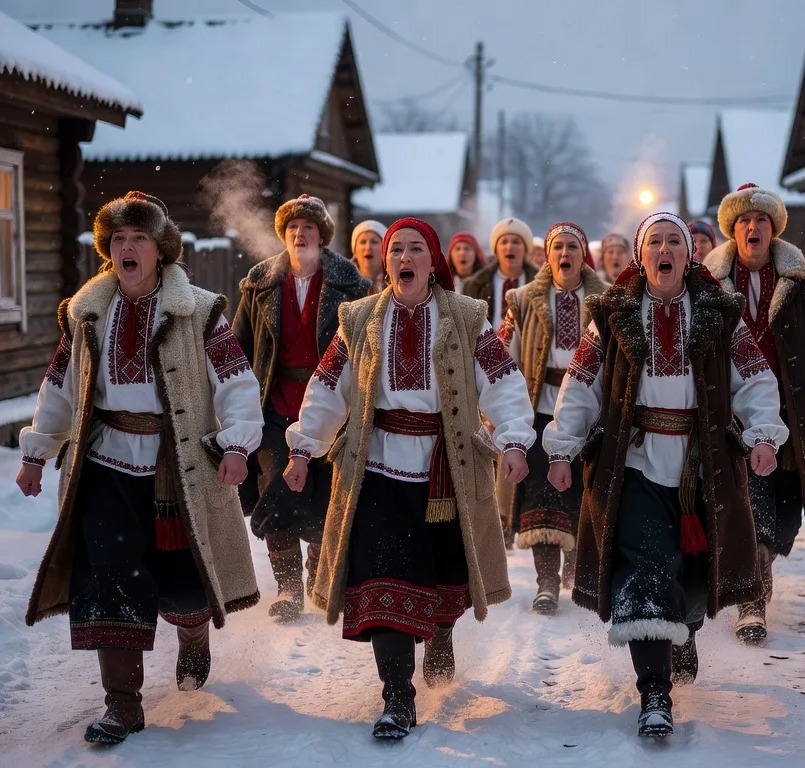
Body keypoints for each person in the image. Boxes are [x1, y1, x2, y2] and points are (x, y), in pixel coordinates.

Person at [16, 192, 263, 745]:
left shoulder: (200, 312)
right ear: (108, 251)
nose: (128, 248)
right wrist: (36, 452)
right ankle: (122, 705)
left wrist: (237, 445)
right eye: (119, 240)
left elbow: (238, 385)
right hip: (104, 463)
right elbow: (60, 385)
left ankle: (193, 636)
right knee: (109, 575)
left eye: (139, 239)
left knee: (184, 581)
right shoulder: (86, 313)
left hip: (175, 467)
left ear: (160, 250)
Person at [283, 217, 534, 739]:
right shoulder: (359, 319)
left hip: (447, 471)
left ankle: (440, 631)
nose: (403, 257)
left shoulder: (467, 318)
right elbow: (328, 385)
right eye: (396, 249)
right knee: (382, 579)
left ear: (432, 261)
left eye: (415, 249)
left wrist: (513, 439)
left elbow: (504, 381)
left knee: (443, 573)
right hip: (375, 470)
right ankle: (398, 695)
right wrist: (304, 447)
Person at [544, 212, 787, 737]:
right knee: (646, 573)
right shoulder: (612, 313)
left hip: (703, 472)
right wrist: (562, 448)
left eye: (674, 240)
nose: (665, 249)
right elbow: (580, 382)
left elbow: (756, 378)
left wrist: (765, 433)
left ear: (689, 254)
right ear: (641, 255)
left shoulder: (721, 314)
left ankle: (686, 630)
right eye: (654, 241)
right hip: (632, 464)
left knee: (694, 581)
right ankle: (654, 693)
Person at [703, 183, 805, 645]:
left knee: (786, 508)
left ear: (774, 229)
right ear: (732, 231)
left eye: (762, 221)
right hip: (733, 414)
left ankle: (761, 567)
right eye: (744, 222)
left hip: (792, 412)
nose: (753, 228)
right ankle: (752, 604)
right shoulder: (709, 284)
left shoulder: (801, 279)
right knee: (752, 503)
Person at [232, 195, 371, 622]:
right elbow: (238, 348)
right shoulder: (259, 284)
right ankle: (288, 589)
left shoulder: (352, 286)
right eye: (292, 227)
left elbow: (366, 351)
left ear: (322, 235)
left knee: (327, 498)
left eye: (308, 227)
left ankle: (317, 575)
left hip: (333, 412)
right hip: (274, 408)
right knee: (280, 491)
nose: (299, 233)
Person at [496, 222, 609, 614]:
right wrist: (497, 408)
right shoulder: (524, 300)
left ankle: (577, 574)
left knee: (582, 495)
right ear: (547, 255)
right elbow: (498, 355)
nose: (565, 254)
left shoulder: (607, 300)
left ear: (583, 255)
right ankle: (546, 581)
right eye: (558, 246)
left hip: (591, 416)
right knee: (540, 498)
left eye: (572, 247)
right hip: (540, 412)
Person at [461, 217, 540, 329]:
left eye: (516, 242)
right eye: (504, 242)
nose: (509, 247)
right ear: (496, 250)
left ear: (525, 249)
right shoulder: (474, 286)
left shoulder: (541, 285)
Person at [351, 219, 387, 294]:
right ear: (354, 250)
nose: (368, 247)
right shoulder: (341, 283)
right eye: (363, 242)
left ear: (385, 250)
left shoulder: (396, 284)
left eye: (374, 242)